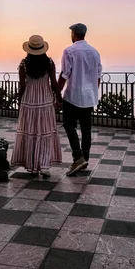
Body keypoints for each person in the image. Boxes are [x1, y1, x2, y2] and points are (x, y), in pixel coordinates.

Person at [11, 34, 62, 177]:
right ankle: (44, 165)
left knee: (30, 131)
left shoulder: (24, 64)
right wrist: (59, 98)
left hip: (29, 101)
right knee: (44, 131)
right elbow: (54, 83)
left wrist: (20, 102)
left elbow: (21, 86)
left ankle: (31, 163)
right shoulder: (49, 63)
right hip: (45, 101)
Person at [58, 23, 102, 176]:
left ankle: (78, 157)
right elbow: (98, 76)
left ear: (74, 34)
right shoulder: (95, 52)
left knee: (69, 125)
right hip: (89, 97)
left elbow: (64, 74)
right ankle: (85, 159)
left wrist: (57, 92)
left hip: (73, 96)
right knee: (86, 129)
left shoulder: (69, 51)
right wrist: (93, 93)